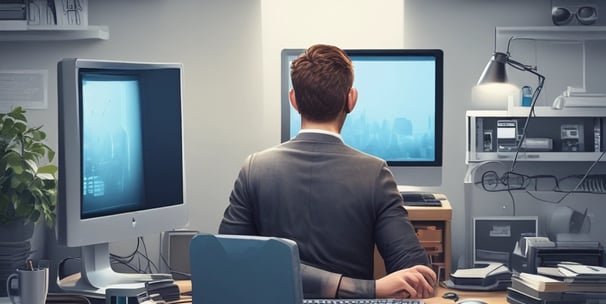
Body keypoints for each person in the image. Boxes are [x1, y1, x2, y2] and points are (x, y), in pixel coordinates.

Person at [218, 44, 436, 299]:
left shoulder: (254, 168)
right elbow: (420, 279)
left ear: (294, 100)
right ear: (351, 99)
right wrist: (370, 289)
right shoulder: (375, 173)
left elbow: (229, 264)